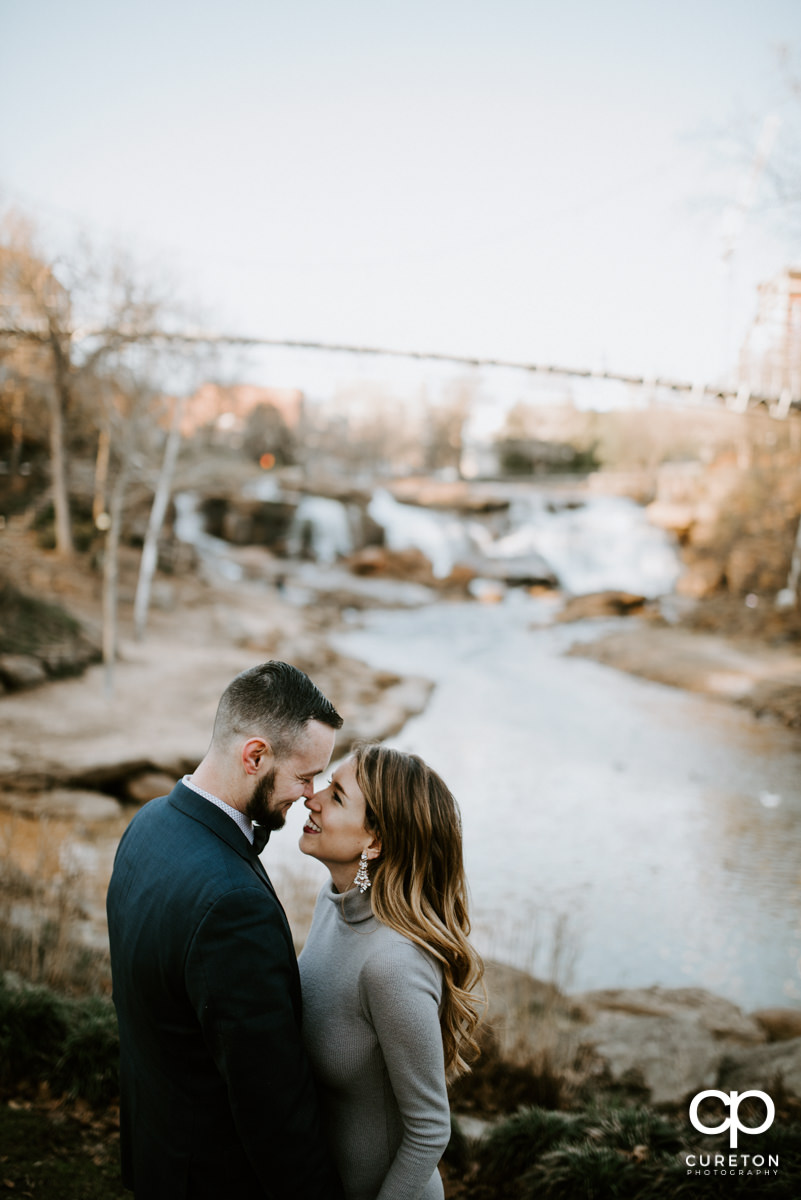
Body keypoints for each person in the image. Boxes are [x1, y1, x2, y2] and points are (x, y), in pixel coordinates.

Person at [106, 661, 345, 1200]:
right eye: (305, 777)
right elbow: (270, 1102)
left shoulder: (148, 823)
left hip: (156, 1152)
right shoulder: (234, 906)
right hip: (212, 1179)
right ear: (255, 755)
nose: (311, 796)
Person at [298, 743, 484, 1200]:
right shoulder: (333, 901)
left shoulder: (393, 965)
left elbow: (429, 1130)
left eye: (336, 795)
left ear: (375, 842)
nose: (312, 798)